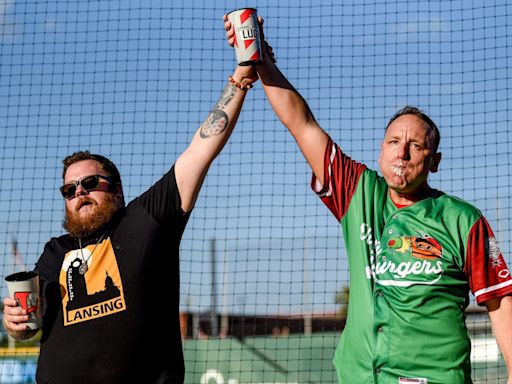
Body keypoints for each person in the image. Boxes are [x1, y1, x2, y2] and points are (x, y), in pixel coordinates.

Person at [224, 16, 512, 384]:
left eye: (415, 145)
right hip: (358, 376)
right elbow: (302, 124)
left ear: (434, 161)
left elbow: (500, 300)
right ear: (380, 152)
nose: (402, 153)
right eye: (393, 142)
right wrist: (261, 60)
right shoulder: (358, 191)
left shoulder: (462, 219)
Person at [2, 64, 258, 383]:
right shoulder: (54, 252)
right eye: (69, 189)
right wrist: (14, 323)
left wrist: (240, 80)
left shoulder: (145, 220)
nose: (79, 191)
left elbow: (201, 150)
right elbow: (31, 325)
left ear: (117, 190)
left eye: (90, 182)